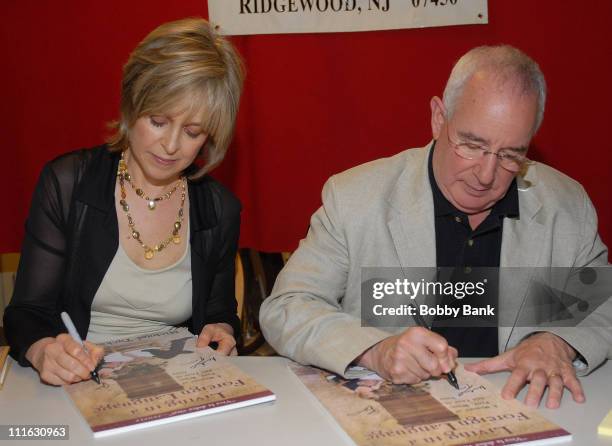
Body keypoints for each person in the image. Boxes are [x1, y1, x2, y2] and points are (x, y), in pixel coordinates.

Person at [260, 45, 611, 409]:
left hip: (521, 407)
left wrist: (556, 340)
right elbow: (287, 306)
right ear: (438, 118)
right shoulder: (356, 199)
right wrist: (374, 350)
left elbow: (603, 302)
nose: (486, 174)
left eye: (511, 155)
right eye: (472, 145)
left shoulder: (565, 205)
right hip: (392, 413)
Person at [4, 17, 245, 386]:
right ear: (131, 105)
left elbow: (219, 312)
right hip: (78, 381)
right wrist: (42, 350)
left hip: (172, 387)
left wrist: (223, 329)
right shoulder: (69, 184)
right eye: (158, 121)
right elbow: (26, 312)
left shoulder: (219, 208)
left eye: (193, 131)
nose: (171, 145)